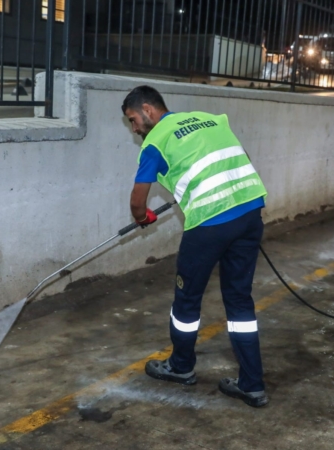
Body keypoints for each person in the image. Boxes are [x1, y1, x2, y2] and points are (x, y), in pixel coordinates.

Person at [121, 85, 270, 407]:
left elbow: (137, 200)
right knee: (239, 300)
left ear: (147, 110)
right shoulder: (210, 119)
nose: (134, 128)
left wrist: (143, 217)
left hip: (209, 224)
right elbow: (240, 158)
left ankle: (181, 367)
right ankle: (252, 385)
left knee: (187, 299)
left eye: (133, 119)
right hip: (249, 213)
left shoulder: (155, 142)